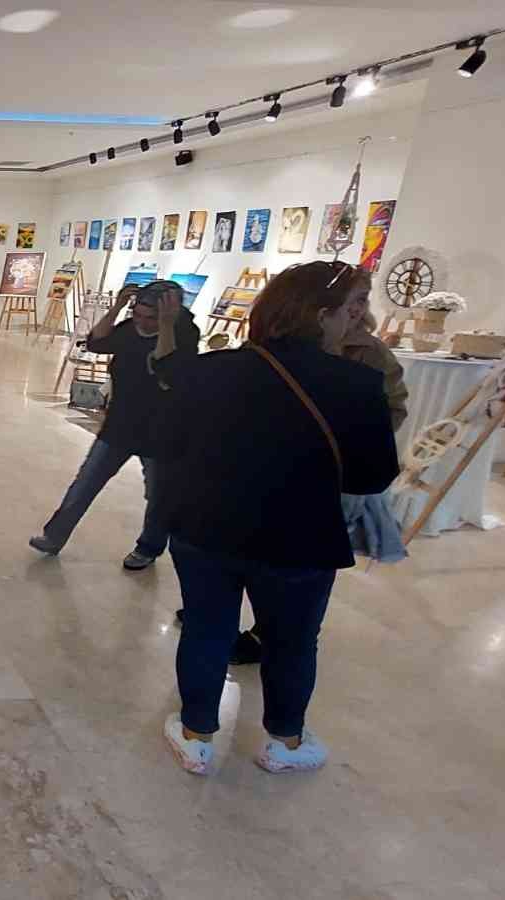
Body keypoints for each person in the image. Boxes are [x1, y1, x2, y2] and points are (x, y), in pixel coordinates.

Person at [159, 261, 398, 775]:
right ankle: (285, 743)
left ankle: (196, 737)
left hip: (205, 526)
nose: (358, 318)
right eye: (351, 306)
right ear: (320, 314)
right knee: (292, 641)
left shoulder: (209, 370)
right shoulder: (358, 384)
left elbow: (169, 447)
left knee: (206, 628)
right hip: (300, 538)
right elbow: (371, 476)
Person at [220, 279, 410, 665]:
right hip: (271, 464)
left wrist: (350, 440)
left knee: (306, 564)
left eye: (362, 300)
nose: (356, 308)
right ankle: (224, 614)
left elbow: (392, 409)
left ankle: (270, 633)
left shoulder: (370, 352)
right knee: (253, 548)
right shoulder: (280, 341)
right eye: (351, 300)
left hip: (330, 473)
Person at [29, 280, 200, 569]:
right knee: (86, 482)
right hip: (121, 423)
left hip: (162, 431)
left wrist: (166, 327)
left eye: (151, 318)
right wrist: (117, 307)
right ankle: (54, 536)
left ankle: (148, 548)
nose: (142, 323)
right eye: (138, 315)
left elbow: (169, 371)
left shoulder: (185, 333)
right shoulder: (130, 329)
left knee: (158, 495)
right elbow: (96, 343)